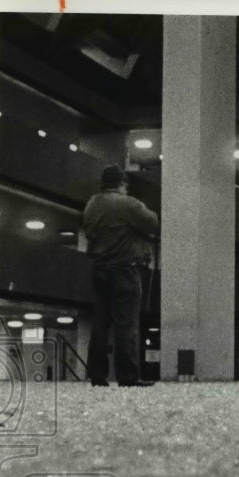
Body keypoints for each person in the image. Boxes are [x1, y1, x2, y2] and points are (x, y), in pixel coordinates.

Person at [83, 164, 159, 387]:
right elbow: (153, 222)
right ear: (122, 183)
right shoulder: (128, 203)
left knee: (100, 323)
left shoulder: (92, 204)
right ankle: (127, 376)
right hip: (125, 269)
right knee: (126, 324)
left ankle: (97, 375)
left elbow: (89, 230)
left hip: (99, 269)